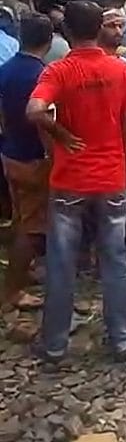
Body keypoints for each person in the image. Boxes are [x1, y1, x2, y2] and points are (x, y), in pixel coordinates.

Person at [26, 0, 126, 362]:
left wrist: (59, 133)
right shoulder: (121, 70)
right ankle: (121, 341)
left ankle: (56, 345)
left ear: (68, 32)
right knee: (115, 260)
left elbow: (34, 111)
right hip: (111, 177)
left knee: (61, 262)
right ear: (99, 29)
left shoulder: (58, 71)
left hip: (70, 180)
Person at [0, 15, 53, 311]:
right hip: (33, 158)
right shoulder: (42, 76)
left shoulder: (6, 69)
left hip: (10, 152)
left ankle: (23, 271)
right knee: (32, 228)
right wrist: (53, 157)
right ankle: (13, 291)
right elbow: (46, 124)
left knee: (21, 216)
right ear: (49, 40)